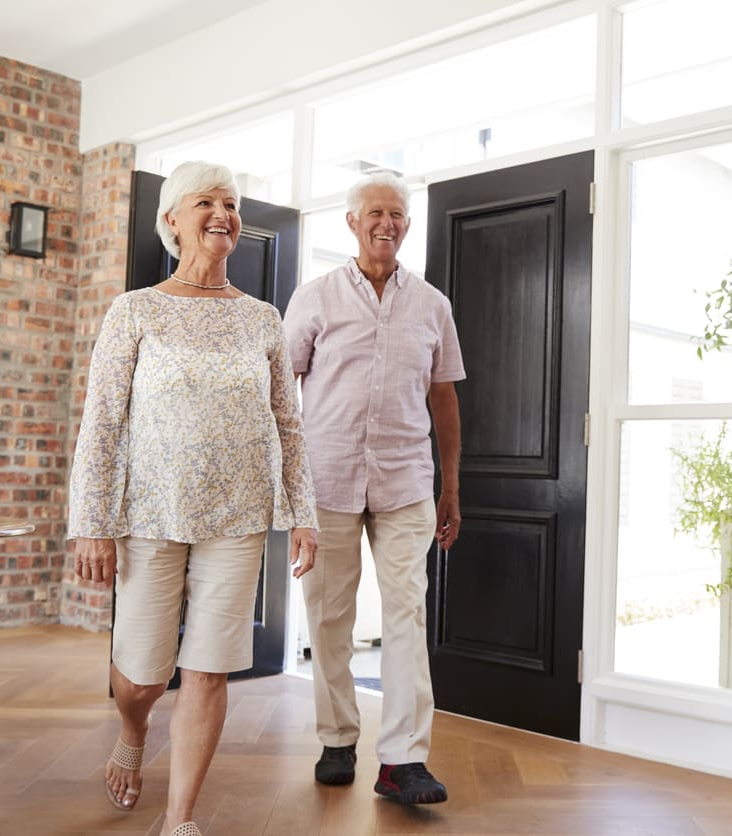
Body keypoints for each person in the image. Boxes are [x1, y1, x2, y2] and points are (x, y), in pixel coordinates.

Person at [68, 161, 318, 836]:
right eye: (204, 201)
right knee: (142, 676)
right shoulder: (136, 310)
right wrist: (91, 522)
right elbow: (102, 423)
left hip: (238, 516)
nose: (222, 214)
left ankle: (179, 818)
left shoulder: (263, 319)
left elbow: (287, 423)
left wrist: (303, 514)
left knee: (208, 669)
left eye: (230, 203)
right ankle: (134, 728)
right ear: (172, 219)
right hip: (150, 513)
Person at [282, 172, 465, 805]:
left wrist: (450, 486)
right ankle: (337, 738)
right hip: (326, 480)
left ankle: (403, 761)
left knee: (407, 613)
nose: (387, 223)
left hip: (407, 481)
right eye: (375, 213)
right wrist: (289, 489)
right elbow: (280, 392)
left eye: (398, 214)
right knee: (329, 614)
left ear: (408, 225)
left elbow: (444, 398)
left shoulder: (433, 305)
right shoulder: (315, 298)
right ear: (353, 223)